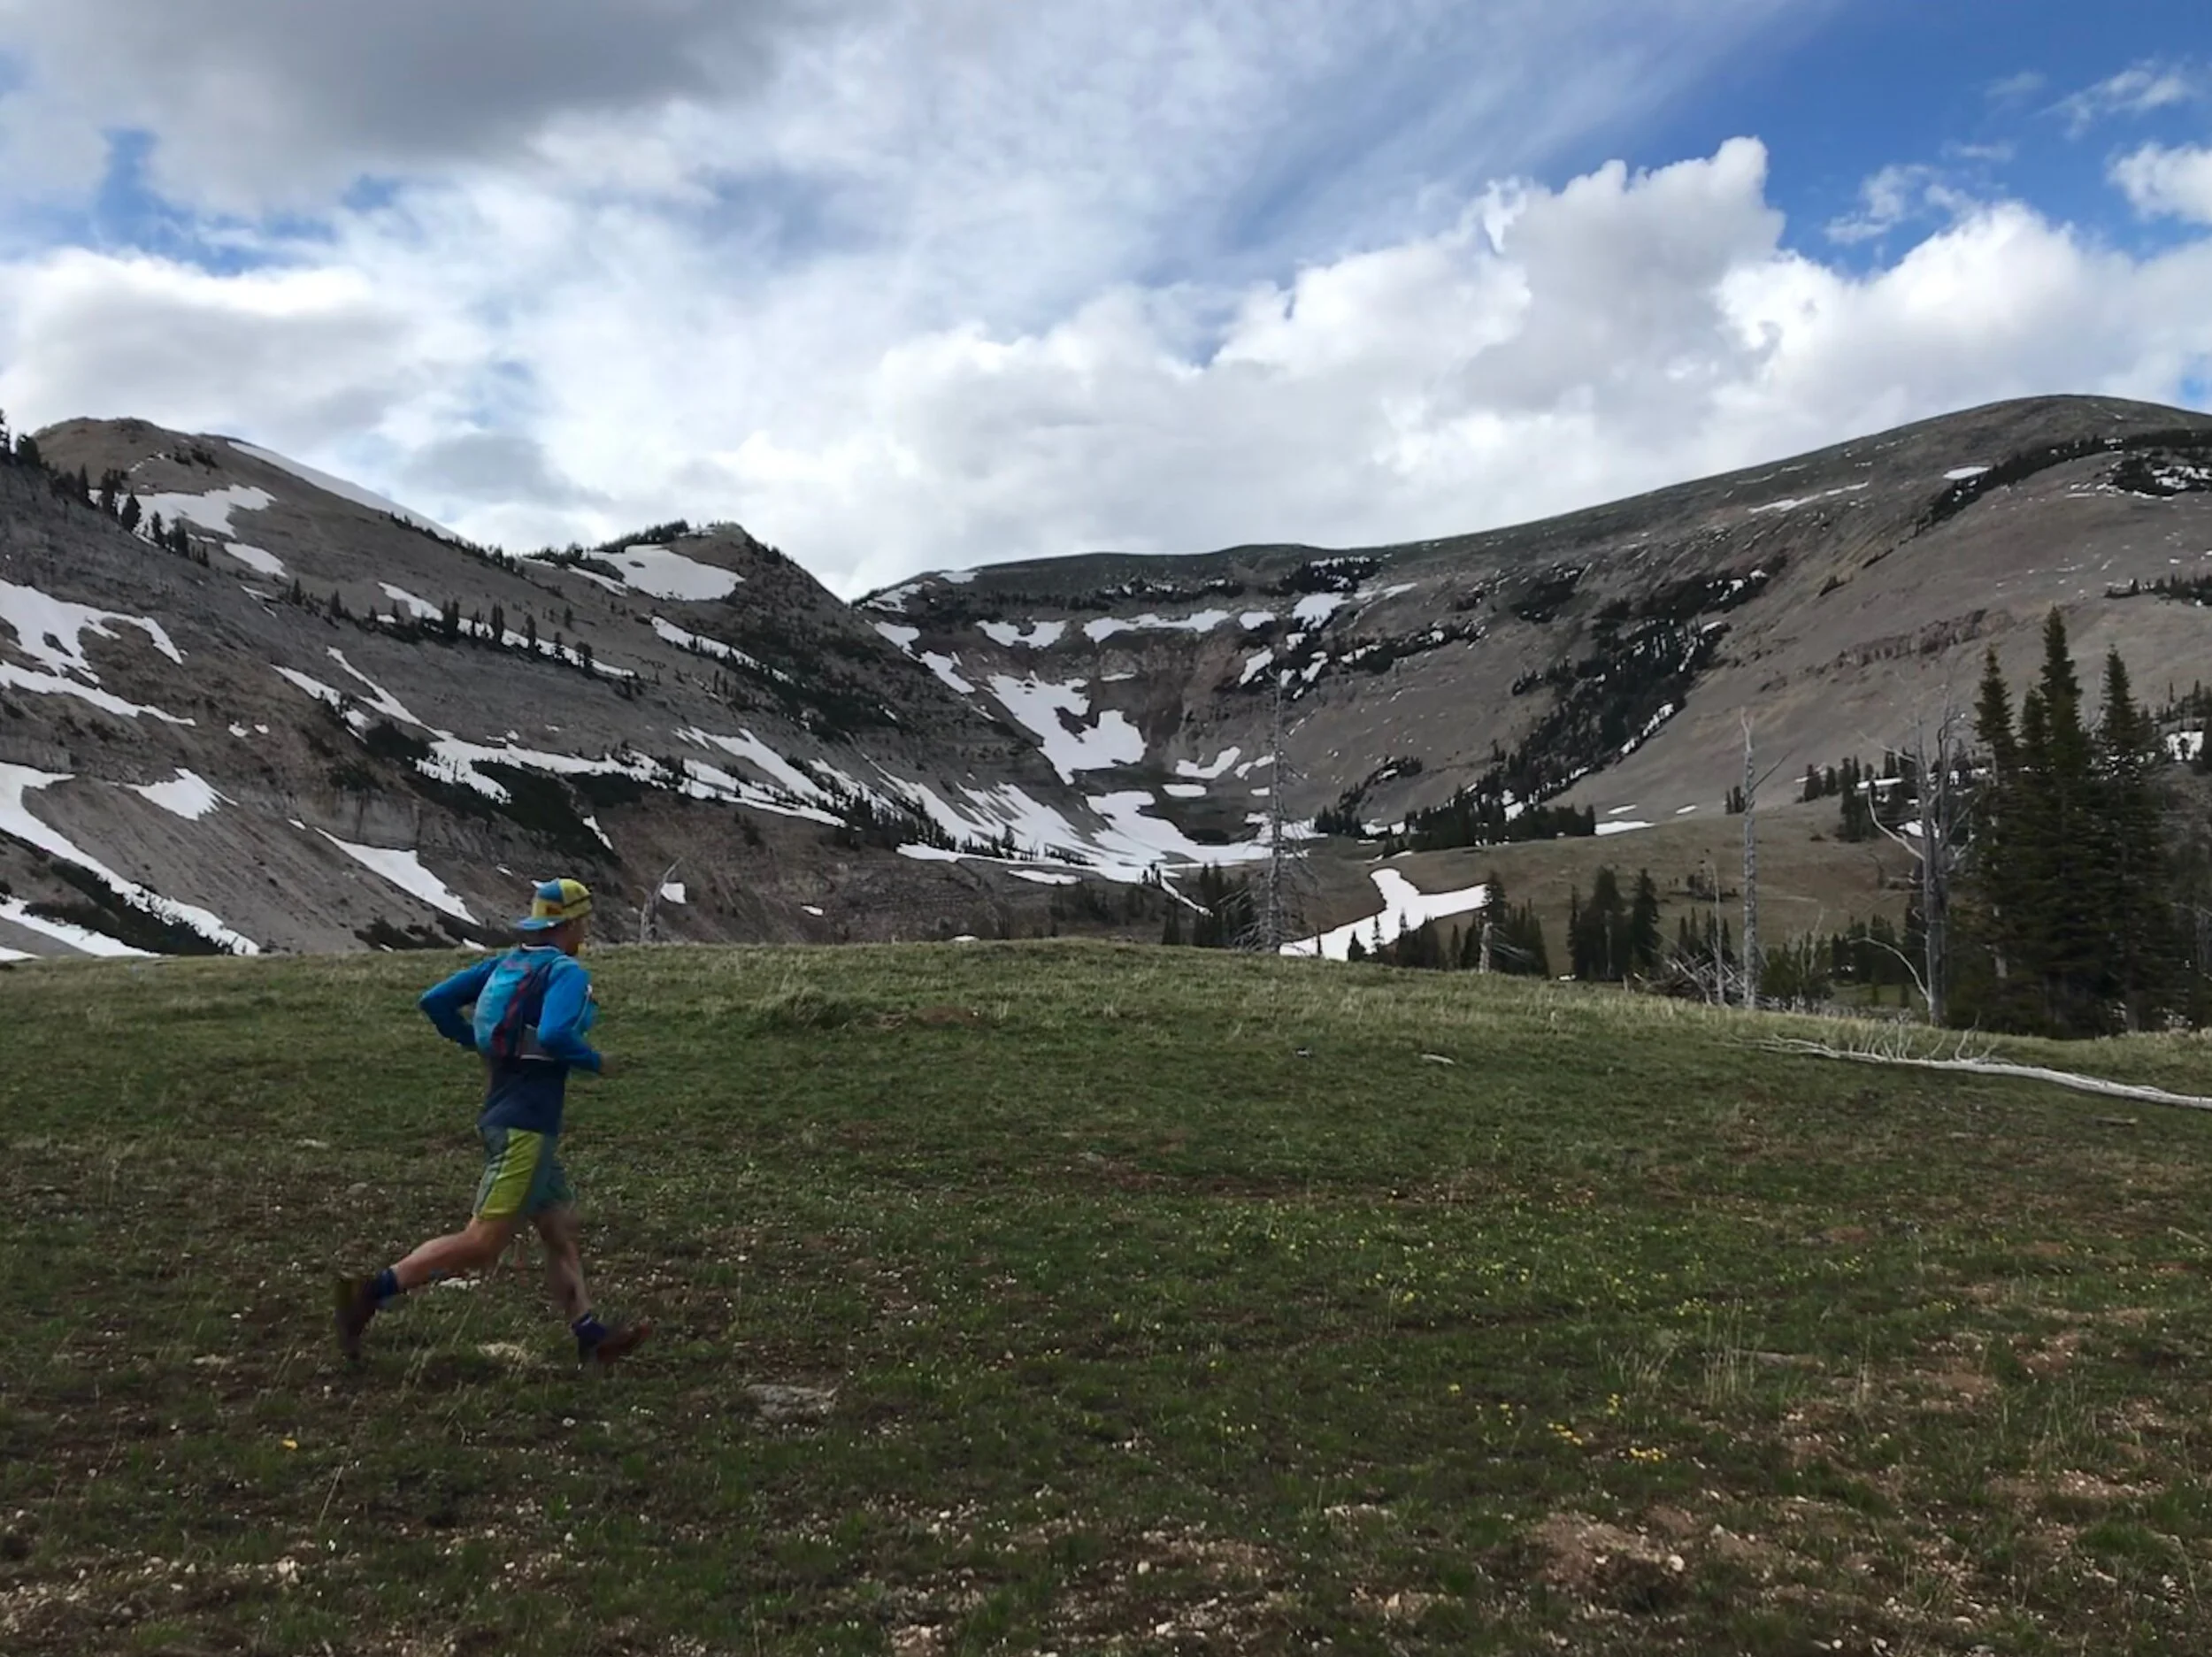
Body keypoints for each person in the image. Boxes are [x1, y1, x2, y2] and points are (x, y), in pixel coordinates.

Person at [334, 878, 651, 1366]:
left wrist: (473, 1041)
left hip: (508, 1115)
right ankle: (370, 1292)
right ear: (570, 924)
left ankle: (591, 1335)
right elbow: (555, 1032)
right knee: (482, 1245)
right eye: (583, 920)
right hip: (527, 1127)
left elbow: (434, 1001)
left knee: (558, 1228)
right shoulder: (565, 972)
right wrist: (594, 1061)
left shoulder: (504, 965)